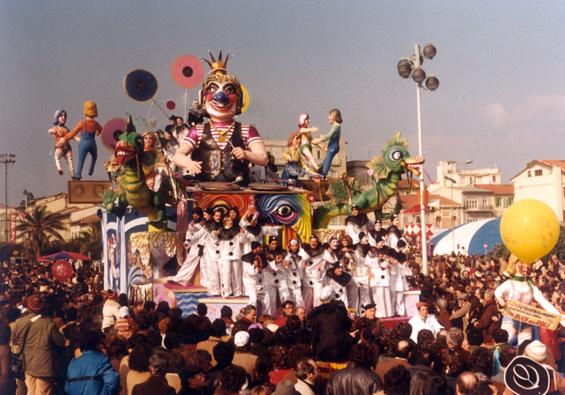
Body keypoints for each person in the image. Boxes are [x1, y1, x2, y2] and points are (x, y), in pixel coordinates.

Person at [173, 52, 268, 185]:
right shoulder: (198, 131)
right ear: (202, 97)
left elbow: (263, 158)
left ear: (240, 99)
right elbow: (178, 156)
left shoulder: (247, 130)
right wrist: (188, 163)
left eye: (229, 90)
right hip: (205, 189)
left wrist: (246, 154)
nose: (220, 97)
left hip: (239, 191)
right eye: (212, 90)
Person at [11, 294, 66, 395]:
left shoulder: (19, 322)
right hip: (45, 365)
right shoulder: (49, 323)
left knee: (31, 391)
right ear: (43, 306)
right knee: (42, 392)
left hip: (27, 363)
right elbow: (60, 342)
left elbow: (14, 340)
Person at [64, 327, 119, 395]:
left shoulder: (72, 364)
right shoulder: (101, 361)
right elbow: (113, 382)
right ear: (96, 344)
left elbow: (67, 389)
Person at [307, 286, 353, 362]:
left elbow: (314, 333)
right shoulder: (339, 309)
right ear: (332, 297)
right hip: (339, 350)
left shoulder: (315, 312)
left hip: (321, 351)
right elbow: (348, 325)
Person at [64, 100, 103, 180]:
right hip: (92, 143)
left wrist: (65, 137)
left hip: (83, 143)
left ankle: (78, 174)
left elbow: (73, 132)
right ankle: (91, 169)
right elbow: (101, 129)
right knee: (94, 156)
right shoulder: (96, 124)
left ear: (85, 111)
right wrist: (98, 133)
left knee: (81, 160)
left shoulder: (82, 123)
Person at [312, 108, 342, 177]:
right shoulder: (335, 126)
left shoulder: (336, 126)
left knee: (327, 162)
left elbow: (329, 136)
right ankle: (320, 173)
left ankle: (322, 175)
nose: (328, 117)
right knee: (325, 162)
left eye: (330, 115)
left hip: (333, 147)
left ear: (334, 116)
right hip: (331, 146)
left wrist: (318, 140)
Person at [48, 109, 75, 176]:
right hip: (59, 147)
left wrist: (77, 139)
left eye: (65, 116)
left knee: (70, 161)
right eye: (61, 116)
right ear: (56, 118)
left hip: (67, 148)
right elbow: (50, 130)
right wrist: (52, 131)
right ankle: (59, 169)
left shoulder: (67, 129)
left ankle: (72, 174)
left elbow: (71, 135)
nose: (63, 117)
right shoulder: (56, 128)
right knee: (57, 157)